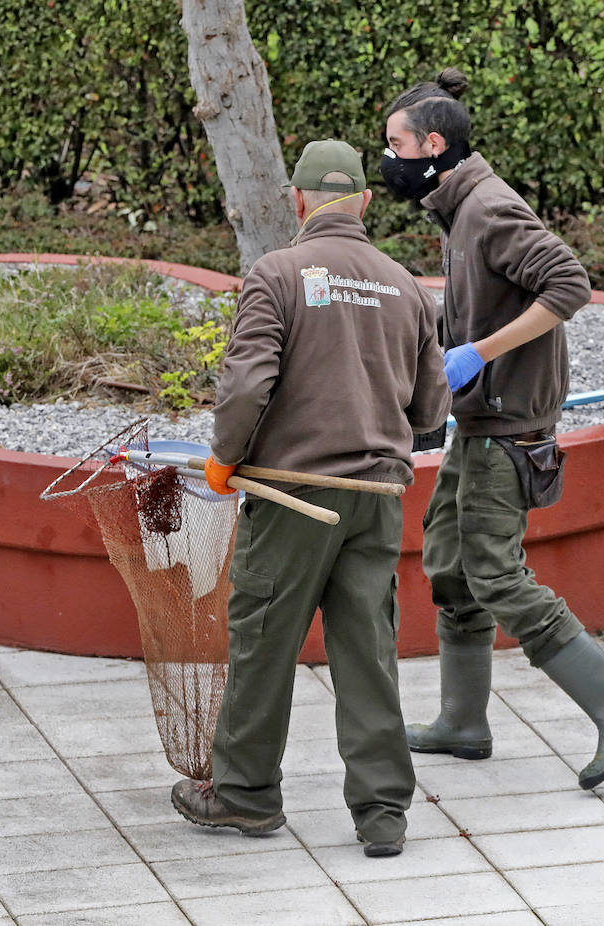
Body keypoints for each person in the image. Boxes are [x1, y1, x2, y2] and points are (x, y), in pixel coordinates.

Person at [381, 68, 604, 790]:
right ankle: (463, 724)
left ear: (432, 145)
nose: (387, 159)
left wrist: (482, 352)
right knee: (449, 563)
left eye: (395, 144)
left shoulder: (489, 210)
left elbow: (569, 284)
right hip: (479, 419)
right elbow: (483, 301)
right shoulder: (458, 208)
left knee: (494, 572)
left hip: (508, 427)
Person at [170, 138, 451, 857]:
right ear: (362, 201)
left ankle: (243, 797)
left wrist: (224, 460)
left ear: (296, 202)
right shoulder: (404, 286)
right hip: (375, 500)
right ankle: (384, 814)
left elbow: (244, 387)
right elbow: (429, 414)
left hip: (294, 499)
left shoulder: (276, 274)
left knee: (263, 642)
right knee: (368, 651)